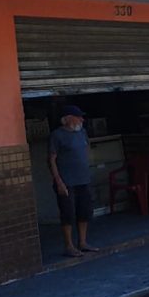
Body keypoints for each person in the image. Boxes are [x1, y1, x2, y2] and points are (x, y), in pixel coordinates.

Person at [49, 105, 97, 258]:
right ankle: (69, 246)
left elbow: (86, 150)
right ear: (68, 119)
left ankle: (82, 242)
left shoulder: (82, 132)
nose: (82, 119)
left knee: (85, 211)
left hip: (83, 179)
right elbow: (51, 160)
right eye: (78, 117)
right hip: (67, 182)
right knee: (68, 213)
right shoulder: (57, 135)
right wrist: (59, 181)